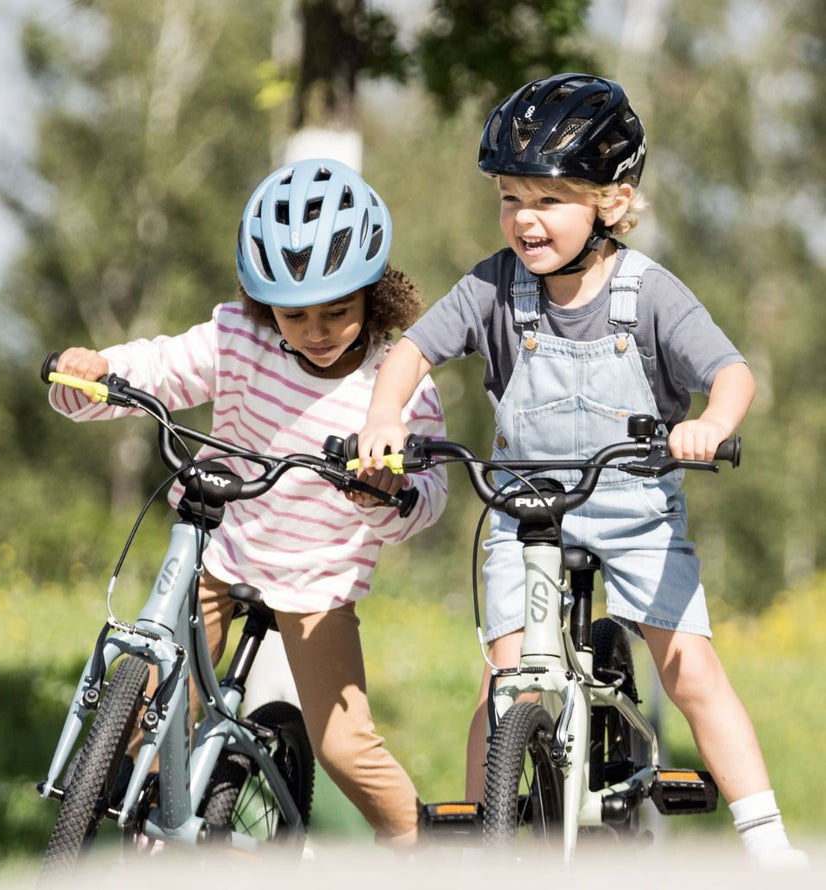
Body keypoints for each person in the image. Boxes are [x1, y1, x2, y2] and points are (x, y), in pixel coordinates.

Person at [358, 74, 807, 867]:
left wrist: (707, 425)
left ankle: (766, 839)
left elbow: (732, 372)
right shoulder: (494, 286)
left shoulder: (649, 294)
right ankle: (487, 846)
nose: (525, 220)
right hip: (525, 508)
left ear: (611, 200)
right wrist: (386, 415)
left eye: (550, 200)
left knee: (690, 667)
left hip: (634, 510)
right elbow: (412, 350)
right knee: (504, 685)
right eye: (509, 198)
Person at [49, 157, 448, 846]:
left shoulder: (397, 381)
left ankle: (426, 850)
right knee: (160, 695)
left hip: (317, 576)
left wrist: (389, 493)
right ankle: (116, 818)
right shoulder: (240, 339)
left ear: (373, 295)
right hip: (221, 540)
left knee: (344, 744)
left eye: (339, 311)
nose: (316, 330)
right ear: (262, 303)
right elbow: (157, 370)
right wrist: (92, 376)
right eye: (294, 314)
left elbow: (428, 495)